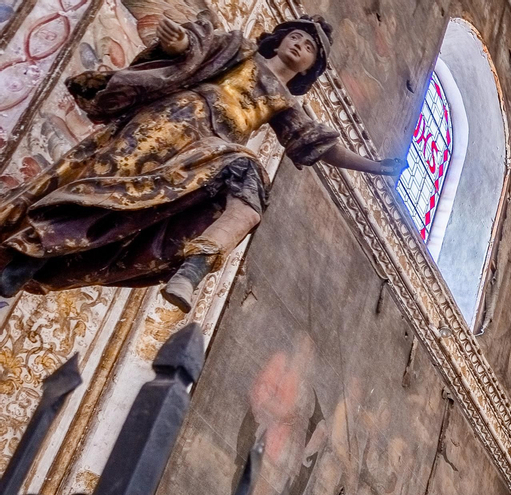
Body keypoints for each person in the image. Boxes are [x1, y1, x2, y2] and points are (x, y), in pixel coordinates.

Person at [0, 15, 403, 311]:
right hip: (175, 120)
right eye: (296, 37)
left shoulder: (285, 103)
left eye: (309, 48)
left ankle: (195, 264)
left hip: (209, 150)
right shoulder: (239, 51)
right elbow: (192, 54)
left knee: (246, 180)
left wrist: (373, 166)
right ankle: (26, 257)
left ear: (309, 68)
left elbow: (315, 144)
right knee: (111, 184)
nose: (299, 45)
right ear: (279, 40)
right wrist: (177, 45)